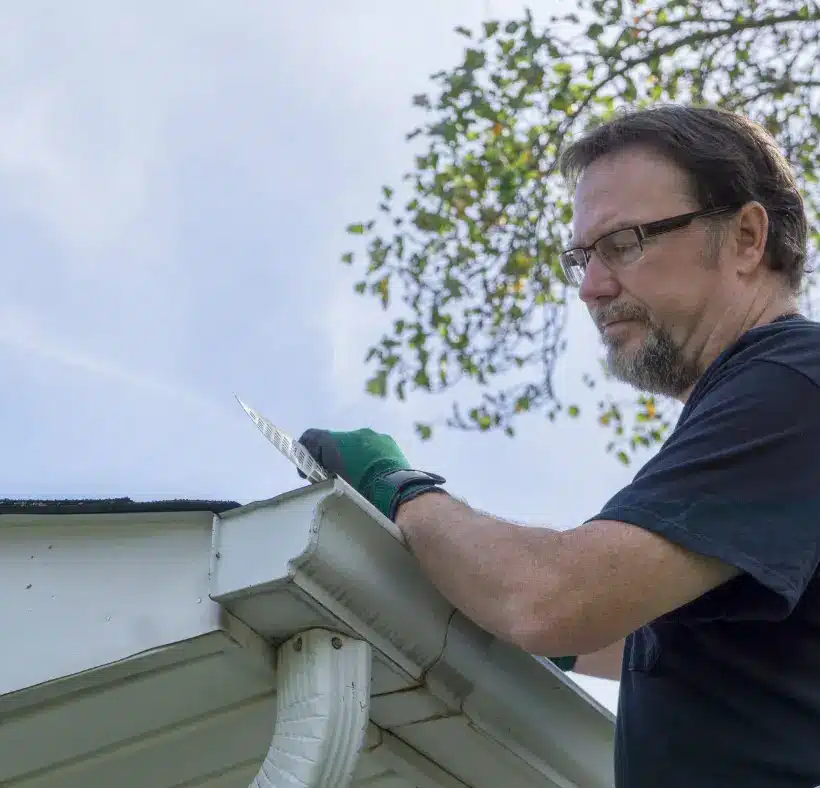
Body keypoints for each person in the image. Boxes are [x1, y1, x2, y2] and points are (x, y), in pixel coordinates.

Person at [299, 105, 820, 788]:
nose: (591, 288)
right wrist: (482, 604)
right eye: (581, 257)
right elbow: (645, 635)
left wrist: (399, 489)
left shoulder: (795, 380)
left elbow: (550, 599)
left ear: (747, 237)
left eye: (625, 243)